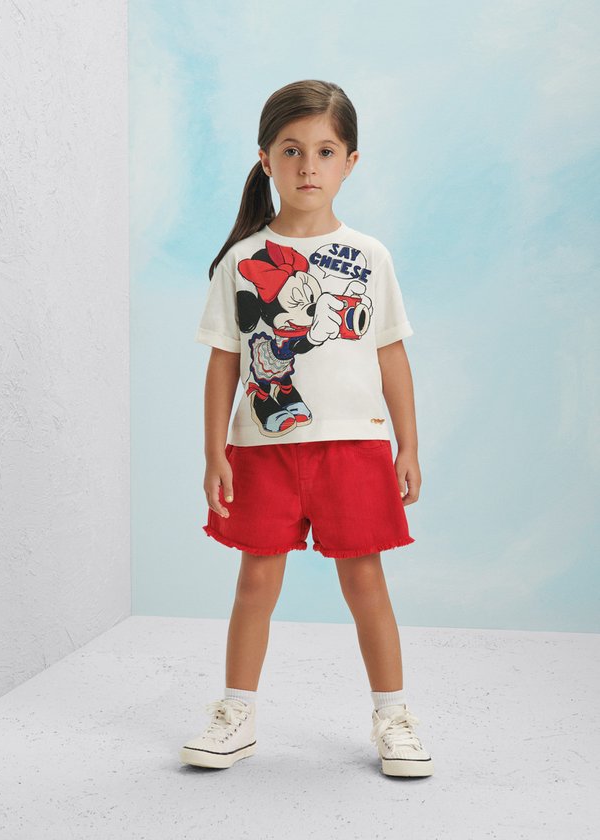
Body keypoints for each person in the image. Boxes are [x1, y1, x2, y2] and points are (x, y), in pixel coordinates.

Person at [180, 79, 434, 778]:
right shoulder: (241, 261)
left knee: (366, 581)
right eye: (291, 150)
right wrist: (214, 451)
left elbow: (391, 354)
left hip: (354, 446)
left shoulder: (370, 256)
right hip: (263, 449)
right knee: (256, 581)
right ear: (266, 159)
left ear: (350, 161)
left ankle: (393, 716)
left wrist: (408, 444)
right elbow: (223, 364)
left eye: (325, 151)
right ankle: (235, 714)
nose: (308, 166)